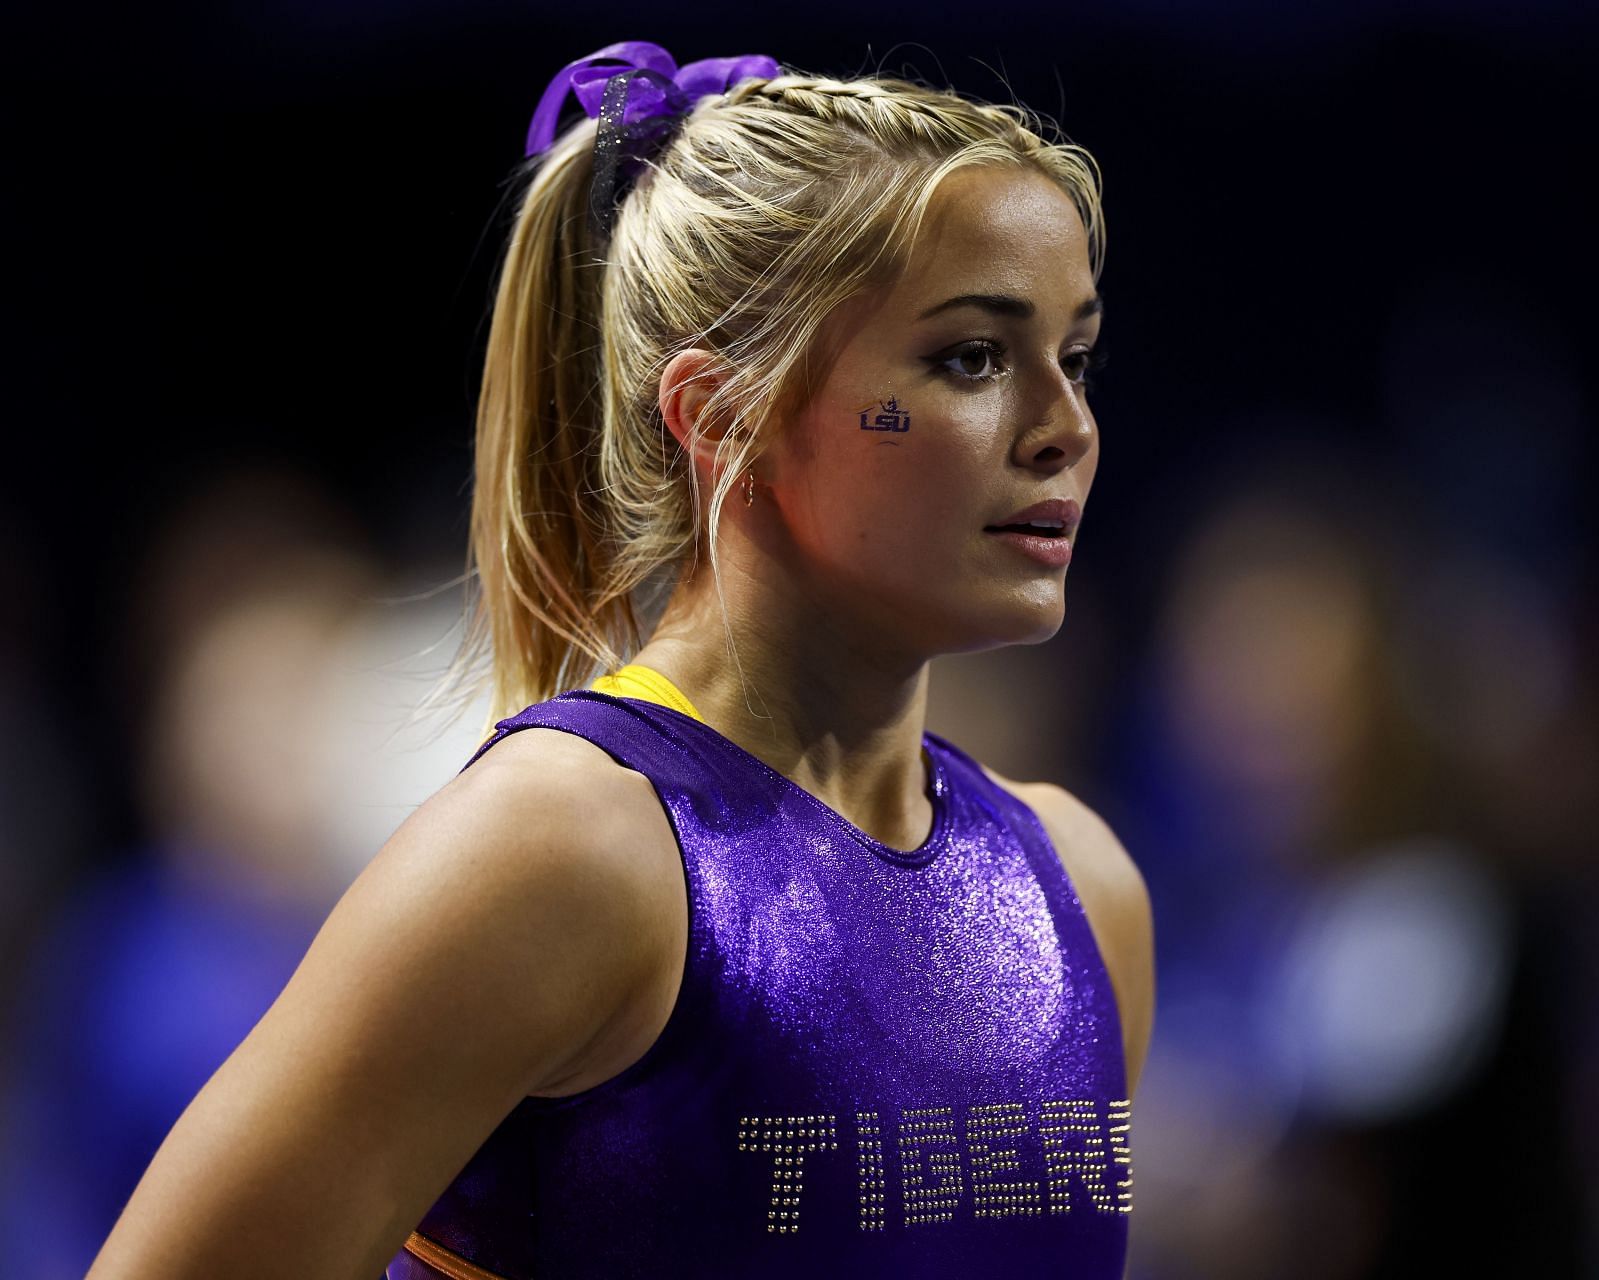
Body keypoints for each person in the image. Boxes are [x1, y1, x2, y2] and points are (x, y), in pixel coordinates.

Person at [88, 39, 1154, 1280]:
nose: (1067, 428)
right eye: (972, 356)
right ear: (718, 415)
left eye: (1071, 358)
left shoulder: (1079, 884)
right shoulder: (566, 852)